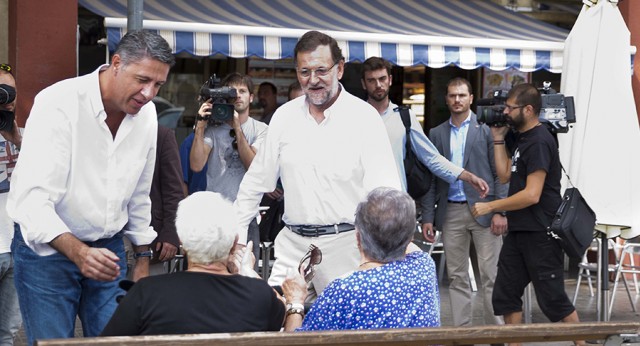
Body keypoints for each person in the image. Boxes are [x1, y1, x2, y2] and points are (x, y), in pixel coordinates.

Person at [6, 30, 174, 345]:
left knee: (117, 341)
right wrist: (79, 252)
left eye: (158, 84)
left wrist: (142, 258)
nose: (149, 93)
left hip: (109, 248)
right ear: (116, 63)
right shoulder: (58, 103)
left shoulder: (147, 115)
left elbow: (139, 191)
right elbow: (31, 201)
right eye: (142, 80)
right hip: (47, 253)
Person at [234, 31, 402, 299]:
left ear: (340, 68)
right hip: (291, 246)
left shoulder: (365, 118)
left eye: (321, 70)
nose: (312, 81)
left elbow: (386, 194)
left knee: (341, 337)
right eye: (304, 72)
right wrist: (239, 243)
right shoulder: (284, 117)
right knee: (277, 327)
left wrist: (380, 258)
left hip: (347, 247)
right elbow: (254, 184)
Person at [471, 83, 584, 346]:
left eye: (511, 108)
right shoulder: (521, 138)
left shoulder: (541, 141)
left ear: (529, 109)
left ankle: (582, 343)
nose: (506, 112)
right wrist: (498, 138)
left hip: (541, 232)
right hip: (520, 230)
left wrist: (491, 206)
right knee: (506, 293)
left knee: (553, 297)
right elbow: (504, 174)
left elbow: (533, 194)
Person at [101, 191, 285, 336]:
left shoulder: (146, 292)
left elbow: (110, 342)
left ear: (182, 242)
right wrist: (247, 274)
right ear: (234, 242)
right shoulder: (259, 295)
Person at [281, 187, 440, 331]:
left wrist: (295, 302)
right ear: (410, 237)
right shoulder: (424, 266)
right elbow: (407, 242)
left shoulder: (344, 290)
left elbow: (296, 343)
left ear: (357, 238)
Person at [421, 77, 507, 328]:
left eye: (462, 95)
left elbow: (500, 174)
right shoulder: (436, 133)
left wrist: (500, 210)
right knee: (456, 277)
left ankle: (496, 335)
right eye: (452, 95)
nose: (457, 100)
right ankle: (462, 334)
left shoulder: (487, 130)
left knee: (491, 275)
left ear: (471, 98)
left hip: (485, 210)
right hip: (451, 212)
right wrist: (428, 216)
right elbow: (431, 179)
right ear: (446, 99)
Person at [360, 57, 489, 199]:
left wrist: (467, 176)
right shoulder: (354, 118)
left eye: (382, 79)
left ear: (390, 80)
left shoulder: (404, 117)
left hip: (395, 202)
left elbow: (431, 157)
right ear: (364, 84)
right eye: (371, 80)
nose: (378, 85)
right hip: (360, 201)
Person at [190, 72, 267, 264]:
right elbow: (196, 165)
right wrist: (200, 126)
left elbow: (253, 166)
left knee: (245, 273)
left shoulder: (261, 130)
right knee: (212, 271)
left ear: (251, 97)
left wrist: (237, 128)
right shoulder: (213, 129)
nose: (238, 95)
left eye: (243, 91)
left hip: (246, 214)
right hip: (215, 213)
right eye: (233, 91)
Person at [0, 63, 22, 346]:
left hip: (17, 248)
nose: (6, 98)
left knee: (7, 335)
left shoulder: (27, 134)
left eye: (10, 92)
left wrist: (17, 140)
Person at [148, 125, 185, 274]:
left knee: (148, 292)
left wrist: (171, 232)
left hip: (151, 235)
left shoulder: (161, 134)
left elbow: (174, 190)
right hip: (109, 233)